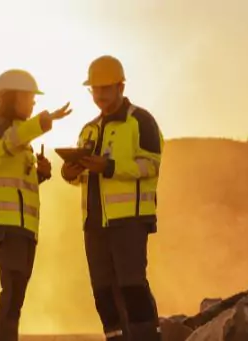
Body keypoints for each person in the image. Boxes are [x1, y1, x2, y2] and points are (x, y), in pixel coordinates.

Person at [61, 55, 164, 341]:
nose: (101, 95)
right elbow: (82, 176)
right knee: (103, 291)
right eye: (96, 90)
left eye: (106, 89)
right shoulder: (89, 129)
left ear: (121, 87)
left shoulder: (141, 121)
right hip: (94, 224)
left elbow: (151, 164)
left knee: (132, 286)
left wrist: (110, 167)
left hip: (129, 220)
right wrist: (70, 172)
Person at [0, 69, 71, 341]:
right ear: (14, 98)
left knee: (17, 294)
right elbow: (12, 140)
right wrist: (45, 120)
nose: (33, 103)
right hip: (8, 227)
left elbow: (18, 183)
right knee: (11, 292)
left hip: (23, 228)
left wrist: (40, 174)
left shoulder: (21, 138)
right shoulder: (0, 129)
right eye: (30, 97)